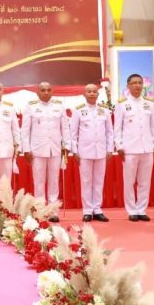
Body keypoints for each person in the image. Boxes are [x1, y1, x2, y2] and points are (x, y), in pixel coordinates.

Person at [114, 74, 154, 222]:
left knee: (145, 182)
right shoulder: (122, 105)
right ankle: (132, 210)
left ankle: (142, 209)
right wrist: (119, 145)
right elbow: (117, 128)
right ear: (128, 86)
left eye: (140, 83)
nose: (137, 85)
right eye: (134, 83)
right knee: (129, 181)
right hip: (129, 149)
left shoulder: (149, 104)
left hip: (147, 148)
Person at [21, 81, 67, 221]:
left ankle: (53, 211)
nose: (46, 92)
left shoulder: (59, 106)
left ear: (52, 91)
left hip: (55, 149)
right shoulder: (31, 106)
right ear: (37, 92)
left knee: (54, 180)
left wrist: (66, 146)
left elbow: (65, 127)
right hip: (37, 149)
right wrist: (26, 149)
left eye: (48, 90)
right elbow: (25, 130)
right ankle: (40, 211)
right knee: (39, 182)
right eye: (43, 90)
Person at [69, 83, 114, 223]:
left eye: (94, 91)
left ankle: (97, 209)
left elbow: (109, 132)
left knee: (99, 181)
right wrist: (74, 151)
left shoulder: (104, 111)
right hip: (84, 152)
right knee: (86, 181)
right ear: (84, 94)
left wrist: (110, 149)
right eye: (89, 91)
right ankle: (87, 210)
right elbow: (73, 133)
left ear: (98, 94)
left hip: (101, 151)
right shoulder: (78, 111)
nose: (92, 94)